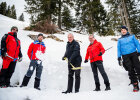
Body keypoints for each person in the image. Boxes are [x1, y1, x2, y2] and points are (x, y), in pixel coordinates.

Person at [117, 26, 140, 92]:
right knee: (130, 69)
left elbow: (137, 44)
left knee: (138, 67)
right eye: (122, 30)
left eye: (124, 30)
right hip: (125, 56)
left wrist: (139, 51)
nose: (123, 31)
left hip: (133, 54)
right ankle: (135, 84)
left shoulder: (132, 36)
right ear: (121, 32)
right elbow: (118, 49)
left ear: (126, 30)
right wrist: (119, 57)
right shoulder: (120, 40)